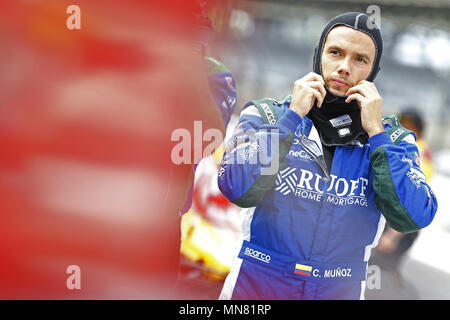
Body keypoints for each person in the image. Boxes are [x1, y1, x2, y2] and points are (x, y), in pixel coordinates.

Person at [217, 12, 438, 300]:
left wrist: (377, 134)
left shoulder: (394, 139)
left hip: (338, 289)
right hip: (257, 286)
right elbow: (236, 187)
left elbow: (414, 215)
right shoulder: (267, 115)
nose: (344, 67)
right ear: (319, 55)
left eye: (360, 59)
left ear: (374, 71)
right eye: (335, 52)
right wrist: (292, 119)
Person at [366, 107, 434, 300]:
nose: (405, 128)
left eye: (411, 126)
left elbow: (411, 197)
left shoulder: (417, 152)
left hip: (397, 224)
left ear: (419, 130)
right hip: (391, 219)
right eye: (403, 123)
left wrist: (394, 235)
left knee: (378, 273)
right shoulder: (403, 143)